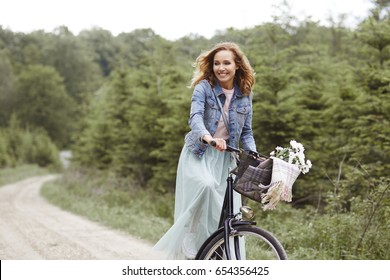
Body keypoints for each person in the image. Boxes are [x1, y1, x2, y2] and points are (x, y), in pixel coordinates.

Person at [153, 42, 257, 259]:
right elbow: (195, 117)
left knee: (225, 210)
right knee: (206, 186)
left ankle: (217, 254)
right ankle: (192, 236)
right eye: (217, 63)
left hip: (225, 158)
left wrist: (253, 154)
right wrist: (209, 138)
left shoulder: (244, 93)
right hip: (199, 152)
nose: (221, 68)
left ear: (237, 65)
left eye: (226, 63)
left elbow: (246, 131)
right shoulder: (204, 87)